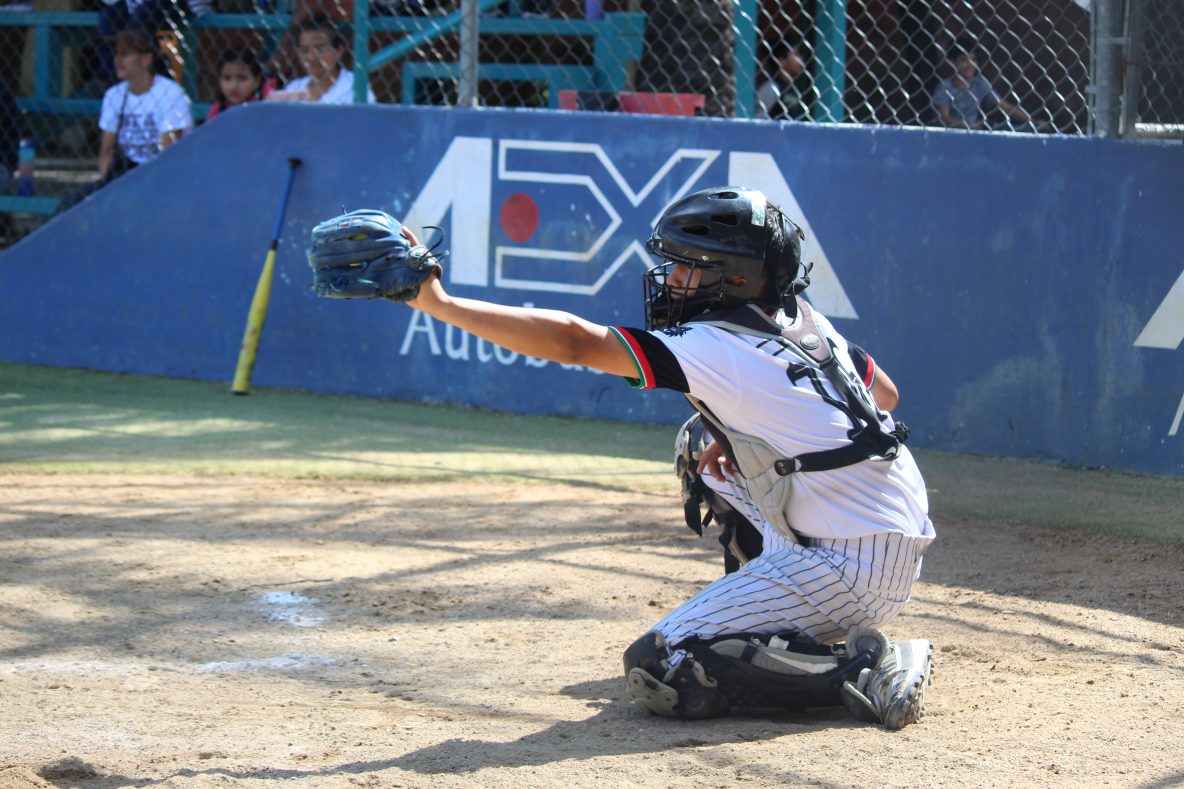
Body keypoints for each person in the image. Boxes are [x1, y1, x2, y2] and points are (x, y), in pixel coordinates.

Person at [322, 186, 937, 729]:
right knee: (701, 443)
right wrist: (751, 435)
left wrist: (440, 303)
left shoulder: (717, 345)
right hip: (877, 522)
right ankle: (767, 620)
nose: (671, 279)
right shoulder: (795, 316)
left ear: (737, 276)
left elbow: (572, 341)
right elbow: (884, 396)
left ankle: (862, 667)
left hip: (850, 562)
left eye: (689, 268)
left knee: (662, 668)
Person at [57, 29, 193, 212]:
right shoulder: (114, 95)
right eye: (116, 54)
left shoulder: (170, 94)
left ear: (146, 59)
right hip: (123, 177)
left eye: (126, 54)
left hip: (160, 179)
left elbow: (167, 154)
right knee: (69, 205)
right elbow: (106, 152)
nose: (117, 60)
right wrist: (112, 187)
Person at [933, 36, 1046, 131]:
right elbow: (945, 118)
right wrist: (967, 126)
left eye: (972, 59)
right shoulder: (945, 87)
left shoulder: (979, 84)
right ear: (953, 62)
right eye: (963, 60)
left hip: (975, 132)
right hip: (952, 133)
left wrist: (1031, 121)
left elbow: (1004, 106)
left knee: (1006, 128)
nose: (969, 65)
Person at [267, 15, 376, 105]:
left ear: (339, 50)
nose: (311, 57)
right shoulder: (294, 87)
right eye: (304, 50)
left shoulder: (355, 86)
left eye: (320, 49)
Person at [206, 48, 275, 120]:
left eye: (241, 78)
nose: (233, 86)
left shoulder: (263, 106)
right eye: (227, 78)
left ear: (256, 82)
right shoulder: (217, 110)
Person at [755, 41, 807, 121]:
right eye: (796, 55)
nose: (801, 59)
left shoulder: (793, 89)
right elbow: (759, 119)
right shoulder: (771, 87)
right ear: (781, 60)